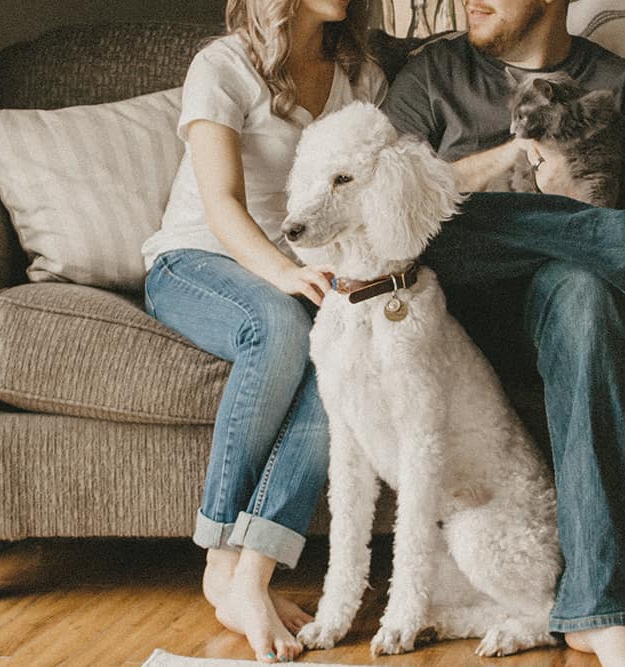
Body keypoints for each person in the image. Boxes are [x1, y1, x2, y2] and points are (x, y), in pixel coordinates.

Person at [380, 1, 625, 666]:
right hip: (455, 305)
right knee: (425, 215)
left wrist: (577, 208)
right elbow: (388, 210)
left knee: (588, 289)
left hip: (564, 304)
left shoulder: (624, 90)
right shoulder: (433, 76)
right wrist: (504, 163)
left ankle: (597, 608)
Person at [139, 0, 387, 663]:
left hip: (302, 269)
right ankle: (221, 563)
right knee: (279, 326)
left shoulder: (360, 78)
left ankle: (250, 574)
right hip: (196, 261)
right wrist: (281, 270)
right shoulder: (220, 67)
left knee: (343, 357)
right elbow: (220, 200)